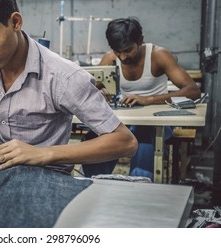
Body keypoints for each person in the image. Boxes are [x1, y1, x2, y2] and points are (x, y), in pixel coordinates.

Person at [0, 0, 138, 174]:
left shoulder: (64, 77)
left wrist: (43, 153)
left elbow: (125, 142)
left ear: (15, 22)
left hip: (46, 177)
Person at [84, 16, 201, 180]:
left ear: (140, 40)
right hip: (126, 121)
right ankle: (94, 185)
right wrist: (101, 93)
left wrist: (148, 100)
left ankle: (139, 189)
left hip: (156, 123)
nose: (123, 57)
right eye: (118, 52)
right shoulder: (110, 58)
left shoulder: (158, 55)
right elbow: (90, 88)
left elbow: (192, 91)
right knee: (95, 138)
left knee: (142, 139)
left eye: (128, 50)